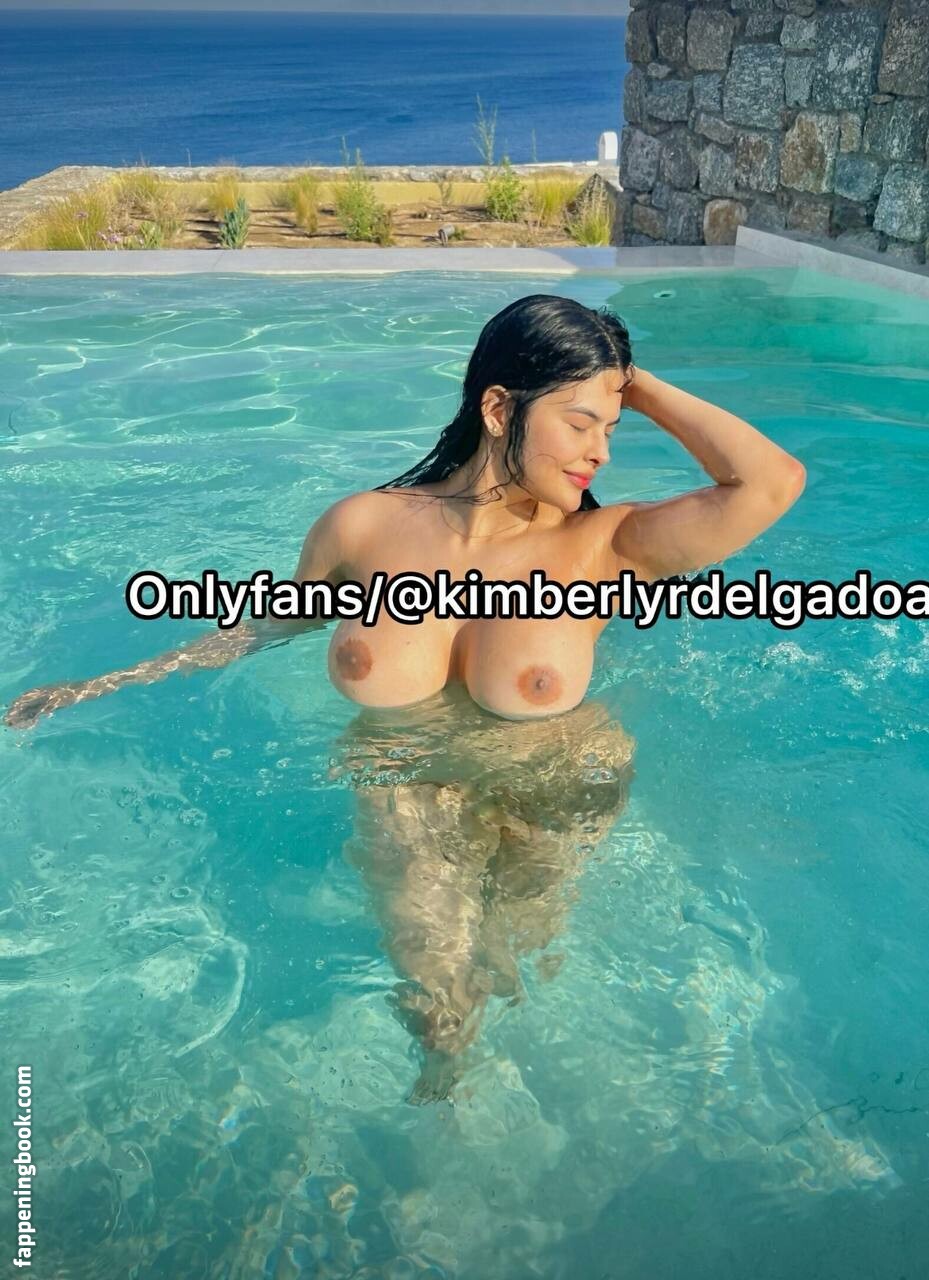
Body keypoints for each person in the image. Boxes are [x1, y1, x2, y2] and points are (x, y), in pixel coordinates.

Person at [3, 294, 806, 1102]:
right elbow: (265, 626)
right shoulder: (361, 529)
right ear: (499, 409)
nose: (599, 451)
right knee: (438, 1003)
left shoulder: (605, 546)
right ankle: (441, 1129)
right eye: (578, 423)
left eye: (611, 427)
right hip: (404, 782)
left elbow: (771, 483)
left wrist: (630, 381)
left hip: (557, 786)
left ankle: (510, 1132)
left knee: (509, 973)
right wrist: (101, 684)